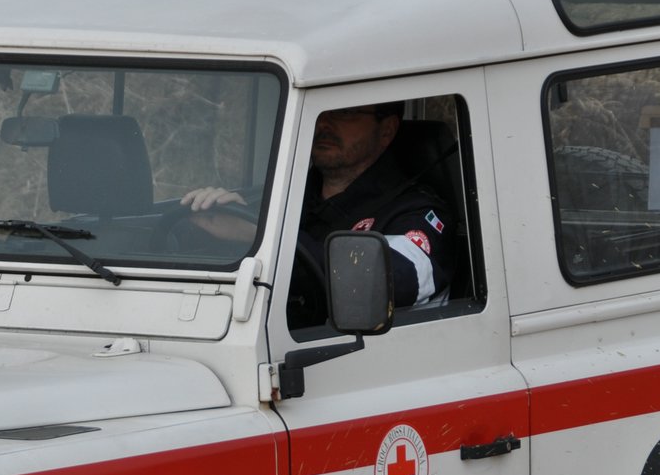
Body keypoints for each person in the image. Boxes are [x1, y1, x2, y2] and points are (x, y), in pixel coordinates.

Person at [181, 102, 455, 326]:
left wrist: (259, 236)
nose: (323, 123)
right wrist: (206, 226)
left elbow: (390, 282)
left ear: (386, 130)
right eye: (318, 110)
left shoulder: (418, 211)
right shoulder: (281, 197)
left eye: (345, 112)